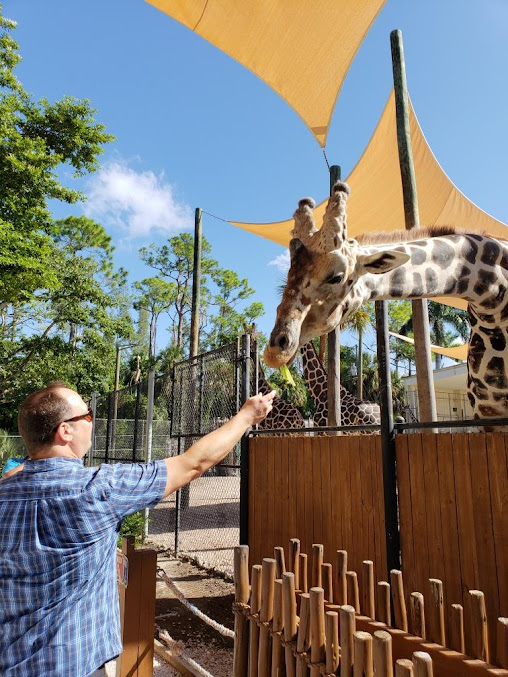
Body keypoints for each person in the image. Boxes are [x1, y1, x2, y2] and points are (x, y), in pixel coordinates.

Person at [0, 381, 276, 677]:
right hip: (75, 666)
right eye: (88, 415)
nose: (92, 422)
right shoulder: (100, 489)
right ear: (65, 431)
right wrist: (247, 416)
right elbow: (194, 463)